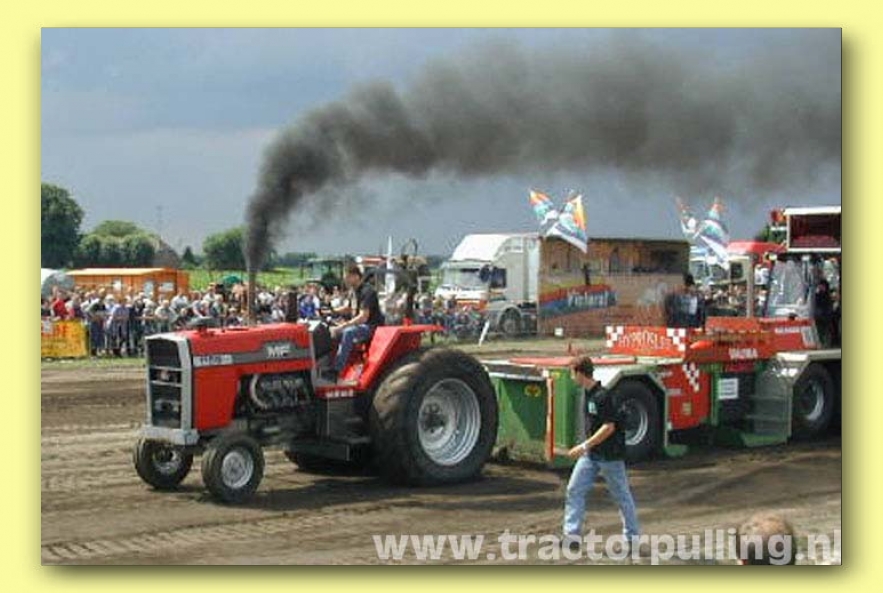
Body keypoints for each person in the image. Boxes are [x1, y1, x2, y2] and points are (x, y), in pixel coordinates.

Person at [563, 355, 641, 551]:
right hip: (592, 455)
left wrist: (583, 447)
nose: (571, 377)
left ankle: (632, 539)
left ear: (580, 374)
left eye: (572, 373)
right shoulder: (588, 394)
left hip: (609, 456)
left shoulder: (602, 396)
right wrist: (587, 448)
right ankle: (572, 537)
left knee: (621, 496)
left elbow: (609, 427)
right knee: (574, 489)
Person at [324, 266, 384, 383]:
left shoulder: (368, 291)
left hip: (371, 326)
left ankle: (336, 370)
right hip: (360, 324)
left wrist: (343, 326)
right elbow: (348, 308)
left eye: (347, 277)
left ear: (356, 276)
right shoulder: (354, 291)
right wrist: (331, 311)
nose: (345, 280)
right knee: (329, 330)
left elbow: (363, 317)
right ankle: (328, 365)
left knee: (348, 332)